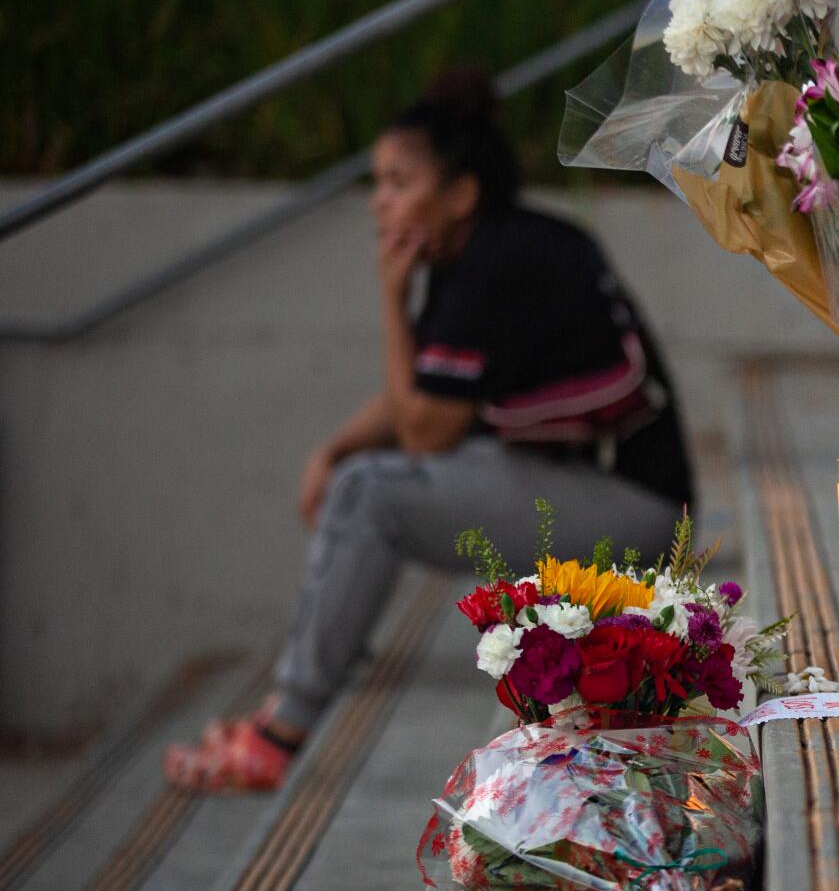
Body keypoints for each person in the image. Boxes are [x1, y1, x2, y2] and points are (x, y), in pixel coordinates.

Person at [164, 67, 692, 791]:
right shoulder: (490, 246)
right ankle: (317, 666)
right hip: (593, 489)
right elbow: (429, 395)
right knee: (360, 479)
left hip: (629, 513)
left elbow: (421, 432)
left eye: (398, 181)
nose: (379, 202)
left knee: (368, 493)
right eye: (378, 182)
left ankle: (280, 730)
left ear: (460, 193)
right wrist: (336, 446)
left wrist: (389, 296)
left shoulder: (495, 265)